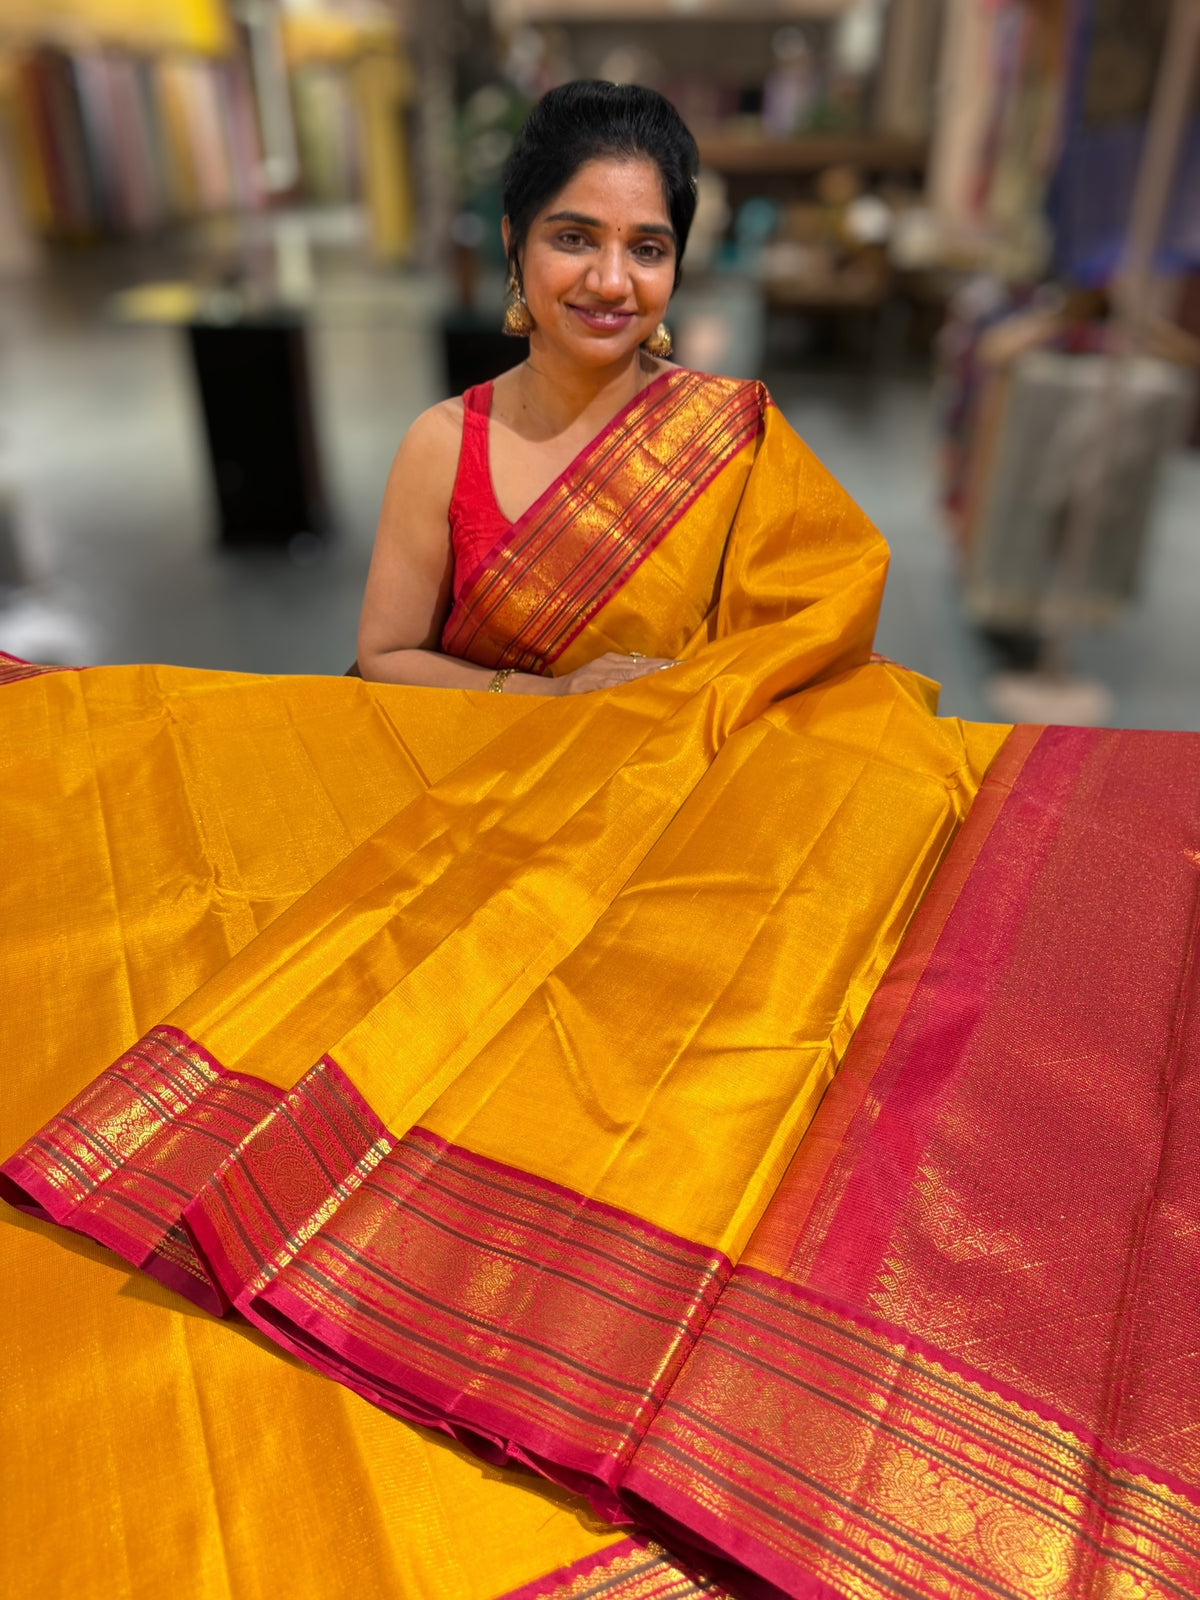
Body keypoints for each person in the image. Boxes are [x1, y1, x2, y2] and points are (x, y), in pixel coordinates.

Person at [3, 82, 1197, 1600]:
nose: (609, 279)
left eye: (646, 246)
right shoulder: (447, 444)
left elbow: (812, 630)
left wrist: (680, 720)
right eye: (575, 237)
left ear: (681, 273)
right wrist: (557, 698)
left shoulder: (730, 440)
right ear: (516, 250)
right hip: (492, 822)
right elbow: (382, 665)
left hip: (679, 845)